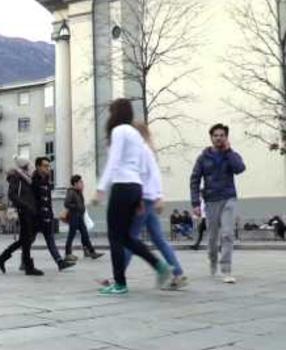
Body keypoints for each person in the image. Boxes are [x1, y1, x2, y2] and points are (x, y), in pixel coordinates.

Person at [95, 98, 172, 295]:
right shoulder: (136, 135)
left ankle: (120, 283)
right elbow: (141, 165)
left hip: (122, 186)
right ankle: (159, 265)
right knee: (127, 237)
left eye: (111, 112)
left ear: (116, 114)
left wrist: (101, 188)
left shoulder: (119, 131)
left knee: (115, 237)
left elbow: (114, 161)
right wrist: (139, 196)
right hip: (135, 186)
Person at [125, 122, 188, 290]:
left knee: (130, 238)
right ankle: (178, 274)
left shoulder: (140, 150)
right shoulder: (147, 149)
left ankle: (118, 277)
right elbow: (154, 175)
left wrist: (155, 197)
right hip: (149, 199)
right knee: (158, 239)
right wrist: (158, 196)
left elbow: (146, 176)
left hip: (143, 199)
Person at [190, 123, 246, 284]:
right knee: (213, 237)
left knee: (227, 234)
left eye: (222, 135)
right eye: (216, 135)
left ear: (226, 137)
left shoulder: (231, 155)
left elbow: (240, 168)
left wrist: (229, 151)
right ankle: (213, 259)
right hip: (211, 200)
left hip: (229, 198)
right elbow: (194, 180)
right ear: (211, 138)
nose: (219, 138)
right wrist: (195, 203)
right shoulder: (203, 158)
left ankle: (226, 269)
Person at [0, 156, 44, 276]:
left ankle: (3, 257)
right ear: (24, 166)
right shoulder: (16, 177)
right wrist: (25, 206)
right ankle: (27, 266)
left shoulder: (26, 178)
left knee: (25, 240)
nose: (30, 167)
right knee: (26, 240)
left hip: (30, 212)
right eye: (28, 165)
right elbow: (12, 195)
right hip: (24, 212)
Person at [32, 156, 75, 272]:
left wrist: (50, 214)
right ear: (38, 167)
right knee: (27, 240)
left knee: (50, 240)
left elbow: (48, 200)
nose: (48, 168)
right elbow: (32, 200)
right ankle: (22, 260)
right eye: (45, 166)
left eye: (48, 166)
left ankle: (60, 262)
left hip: (47, 217)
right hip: (36, 217)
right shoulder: (33, 180)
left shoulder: (46, 180)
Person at [64, 175, 104, 261]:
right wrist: (77, 207)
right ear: (75, 183)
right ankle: (67, 254)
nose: (82, 184)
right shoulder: (71, 192)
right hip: (74, 216)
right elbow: (66, 204)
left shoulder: (78, 192)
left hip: (79, 216)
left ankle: (92, 252)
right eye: (80, 182)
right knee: (71, 235)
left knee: (85, 234)